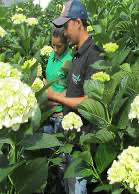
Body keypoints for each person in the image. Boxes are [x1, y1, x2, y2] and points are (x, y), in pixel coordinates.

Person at [47, 0, 103, 193]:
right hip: (71, 137)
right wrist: (51, 95)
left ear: (78, 23)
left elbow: (91, 101)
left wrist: (56, 98)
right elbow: (74, 91)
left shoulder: (94, 55)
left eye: (66, 25)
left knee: (77, 189)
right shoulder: (77, 54)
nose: (63, 31)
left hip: (83, 141)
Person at [43, 27, 73, 134]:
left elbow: (73, 89)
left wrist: (54, 100)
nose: (55, 49)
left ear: (67, 43)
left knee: (60, 147)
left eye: (59, 46)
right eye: (53, 45)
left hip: (60, 115)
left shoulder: (70, 60)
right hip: (46, 112)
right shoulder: (52, 54)